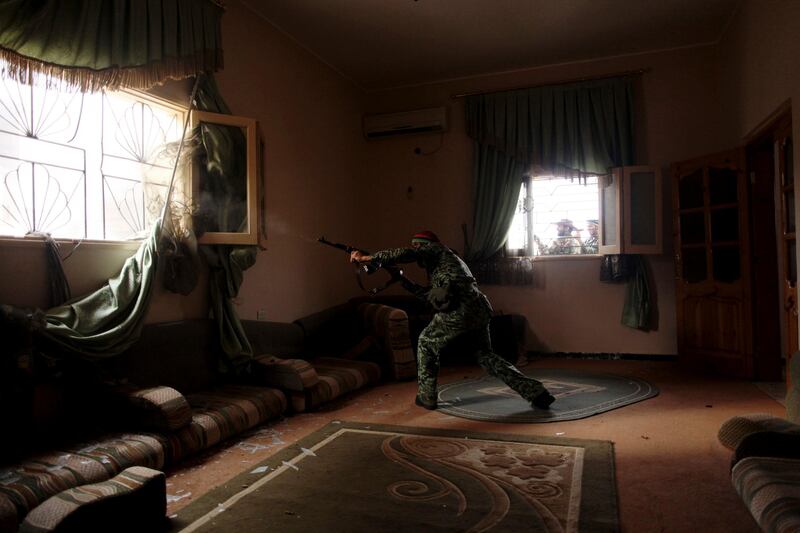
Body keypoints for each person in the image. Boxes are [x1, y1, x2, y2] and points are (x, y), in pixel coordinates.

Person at [349, 230, 555, 411]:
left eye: (417, 246)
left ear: (425, 245)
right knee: (485, 355)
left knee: (426, 344)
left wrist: (367, 258)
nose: (416, 251)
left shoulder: (437, 250)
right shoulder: (448, 263)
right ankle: (536, 392)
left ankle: (427, 396)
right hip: (478, 309)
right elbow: (433, 297)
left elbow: (405, 253)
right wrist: (401, 279)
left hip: (460, 311)